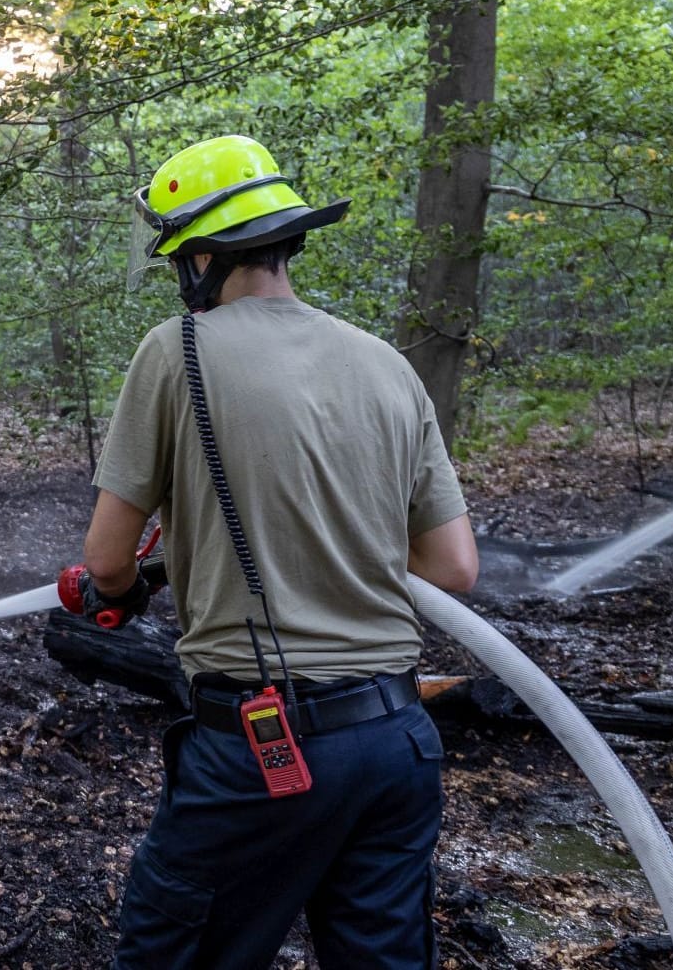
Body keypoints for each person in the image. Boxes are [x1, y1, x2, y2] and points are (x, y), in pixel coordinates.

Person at [70, 135, 479, 968]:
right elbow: (451, 571)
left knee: (170, 950)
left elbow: (106, 564)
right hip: (396, 743)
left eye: (180, 258)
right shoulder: (387, 366)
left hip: (263, 748)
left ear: (204, 259)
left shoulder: (175, 351)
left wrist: (117, 586)